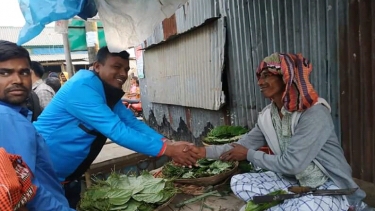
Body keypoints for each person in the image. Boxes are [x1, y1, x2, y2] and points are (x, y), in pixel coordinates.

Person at [191, 53, 366, 210]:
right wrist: (202, 152)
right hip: (293, 181)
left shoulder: (313, 112)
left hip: (329, 184)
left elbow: (292, 164)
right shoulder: (268, 116)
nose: (260, 82)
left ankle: (341, 205)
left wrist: (250, 155)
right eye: (259, 77)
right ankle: (293, 203)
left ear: (286, 77)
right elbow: (241, 146)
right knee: (239, 182)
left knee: (307, 207)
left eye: (266, 75)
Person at [34, 46, 199, 208]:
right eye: (116, 67)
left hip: (67, 178)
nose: (123, 74)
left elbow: (130, 122)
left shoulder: (105, 91)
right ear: (97, 66)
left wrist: (166, 142)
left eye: (126, 69)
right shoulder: (82, 88)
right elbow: (116, 130)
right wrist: (166, 150)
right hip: (42, 175)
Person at [0, 40, 74, 211]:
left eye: (24, 72)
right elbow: (27, 191)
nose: (17, 80)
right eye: (5, 73)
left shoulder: (15, 113)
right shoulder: (6, 117)